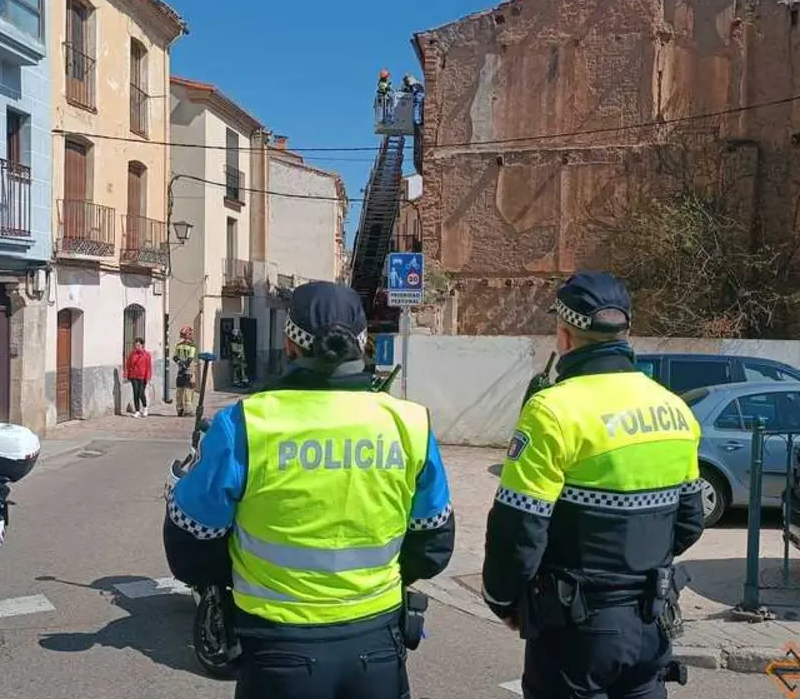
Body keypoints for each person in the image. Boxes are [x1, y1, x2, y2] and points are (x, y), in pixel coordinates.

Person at [164, 280, 455, 699]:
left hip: (277, 647)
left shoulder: (244, 424)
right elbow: (433, 544)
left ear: (290, 344)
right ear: (363, 342)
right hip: (377, 642)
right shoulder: (410, 423)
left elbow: (190, 545)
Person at [481, 271, 703, 699]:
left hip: (575, 630)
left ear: (564, 336)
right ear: (626, 331)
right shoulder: (674, 408)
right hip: (652, 624)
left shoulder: (553, 410)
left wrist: (504, 599)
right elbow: (689, 522)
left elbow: (518, 528)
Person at [124, 337, 153, 417]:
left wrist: (148, 377)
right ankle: (137, 410)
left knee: (141, 393)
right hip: (134, 376)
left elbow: (149, 367)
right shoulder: (132, 354)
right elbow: (128, 365)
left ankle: (145, 407)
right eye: (136, 345)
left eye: (138, 345)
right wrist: (127, 374)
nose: (137, 347)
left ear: (142, 345)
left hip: (142, 377)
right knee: (135, 393)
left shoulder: (146, 355)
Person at [174, 326, 198, 417]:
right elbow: (190, 358)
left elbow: (175, 357)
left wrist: (180, 364)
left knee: (179, 390)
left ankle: (179, 409)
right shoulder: (192, 346)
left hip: (180, 371)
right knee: (189, 390)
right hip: (189, 371)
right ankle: (188, 410)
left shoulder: (178, 345)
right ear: (189, 335)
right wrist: (185, 366)